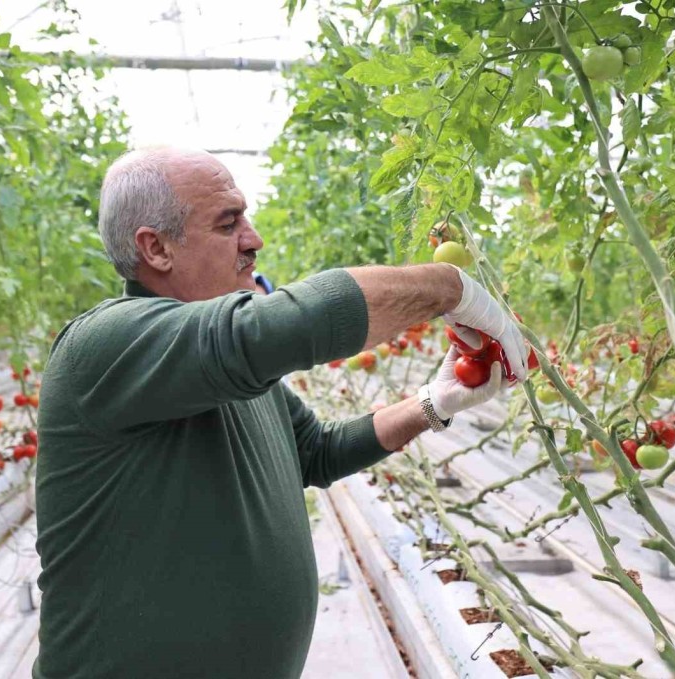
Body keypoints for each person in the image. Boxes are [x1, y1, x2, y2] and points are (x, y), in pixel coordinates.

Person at [32, 146, 528, 679]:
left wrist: (433, 403)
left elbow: (314, 451)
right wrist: (452, 288)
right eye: (229, 224)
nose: (254, 239)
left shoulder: (218, 366)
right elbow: (284, 324)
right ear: (156, 249)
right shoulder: (107, 343)